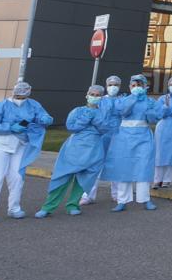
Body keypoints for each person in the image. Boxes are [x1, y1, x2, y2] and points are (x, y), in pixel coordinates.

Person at [0, 81, 53, 224]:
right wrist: (10, 127)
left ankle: (14, 208)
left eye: (23, 96)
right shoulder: (1, 105)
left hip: (20, 145)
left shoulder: (33, 105)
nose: (20, 98)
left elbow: (42, 116)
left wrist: (45, 119)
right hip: (0, 145)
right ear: (13, 92)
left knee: (17, 177)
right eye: (18, 95)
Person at [36, 86, 114, 218]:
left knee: (83, 179)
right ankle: (48, 207)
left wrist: (96, 120)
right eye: (92, 94)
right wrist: (85, 119)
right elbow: (71, 127)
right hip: (74, 147)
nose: (94, 97)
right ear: (87, 95)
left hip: (94, 148)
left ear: (102, 97)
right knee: (62, 177)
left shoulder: (104, 113)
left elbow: (106, 129)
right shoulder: (77, 111)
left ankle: (73, 205)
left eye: (98, 95)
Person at [104, 74, 161, 212]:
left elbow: (155, 118)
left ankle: (145, 199)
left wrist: (149, 110)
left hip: (143, 137)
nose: (136, 88)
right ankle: (122, 200)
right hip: (124, 137)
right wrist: (133, 99)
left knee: (144, 167)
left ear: (145, 86)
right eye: (133, 86)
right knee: (124, 168)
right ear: (129, 87)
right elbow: (122, 112)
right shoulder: (123, 100)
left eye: (139, 85)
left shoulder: (150, 101)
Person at [80, 74, 122, 206]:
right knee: (94, 165)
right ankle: (88, 195)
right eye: (110, 85)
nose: (113, 87)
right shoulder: (100, 99)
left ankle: (117, 194)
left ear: (120, 86)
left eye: (115, 85)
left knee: (116, 165)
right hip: (101, 135)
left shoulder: (123, 100)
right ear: (106, 86)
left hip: (118, 136)